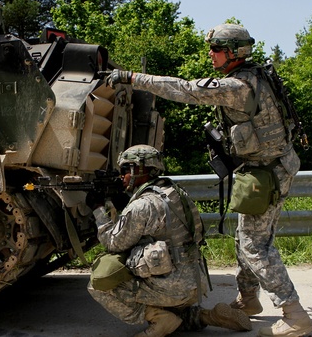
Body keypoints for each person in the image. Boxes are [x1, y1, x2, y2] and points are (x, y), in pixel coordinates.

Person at [106, 24, 312, 337]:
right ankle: (247, 301)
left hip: (266, 173)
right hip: (270, 168)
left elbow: (185, 89)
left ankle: (294, 314)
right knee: (246, 238)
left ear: (233, 52)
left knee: (255, 245)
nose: (211, 54)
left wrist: (132, 78)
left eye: (216, 49)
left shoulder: (238, 85)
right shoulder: (257, 75)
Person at [87, 144, 251, 337]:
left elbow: (113, 243)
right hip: (194, 283)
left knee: (99, 283)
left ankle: (158, 318)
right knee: (175, 313)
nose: (122, 177)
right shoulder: (175, 192)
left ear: (139, 169)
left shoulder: (142, 205)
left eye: (125, 170)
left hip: (171, 287)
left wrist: (98, 209)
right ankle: (208, 316)